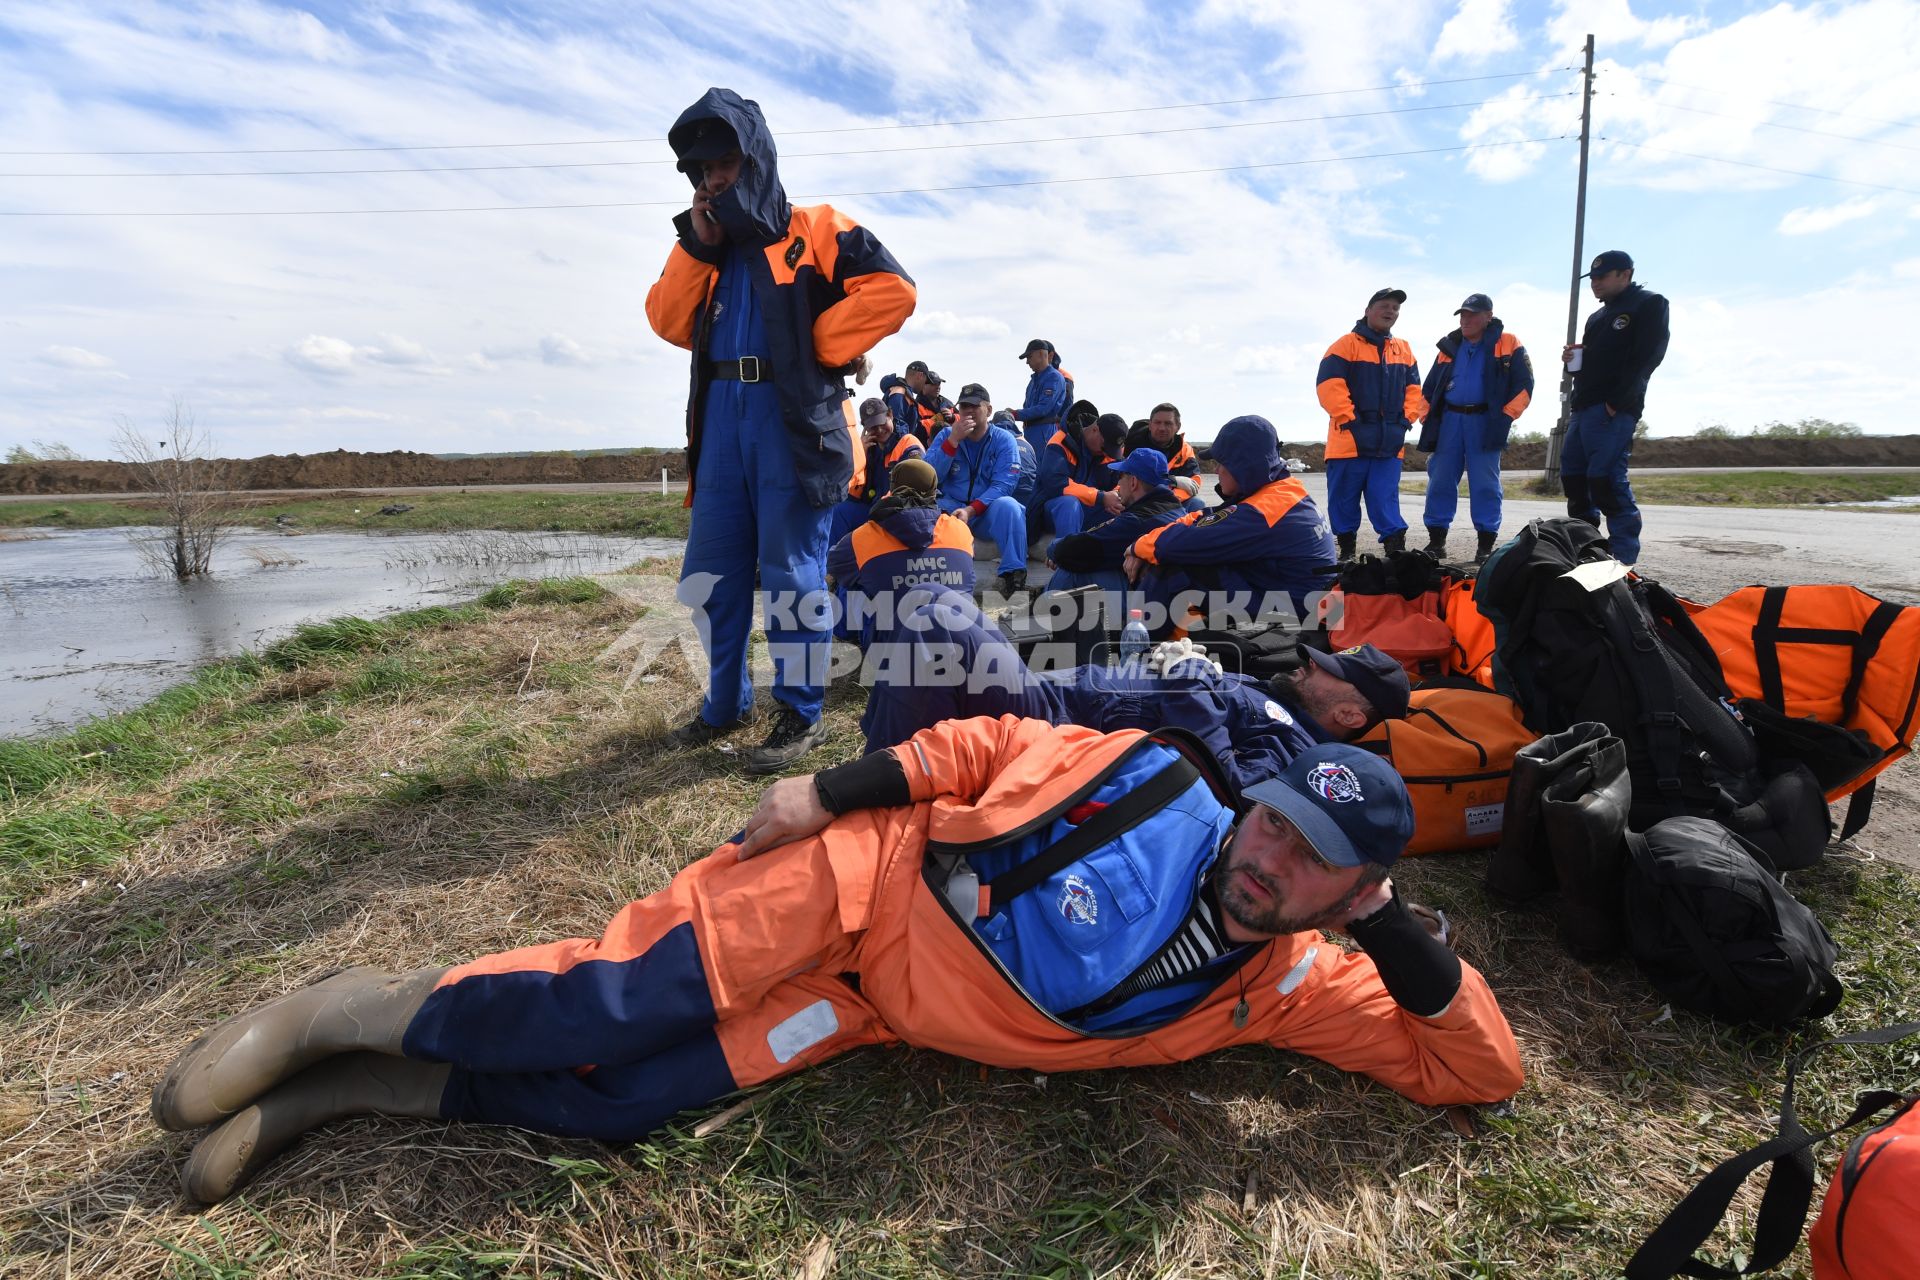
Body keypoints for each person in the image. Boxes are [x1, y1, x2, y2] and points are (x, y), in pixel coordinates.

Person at [150, 723, 1522, 1205]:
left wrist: (1397, 936)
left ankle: (339, 1097)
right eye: (1275, 819)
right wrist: (831, 787)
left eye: (1311, 858)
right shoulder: (1155, 780)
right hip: (851, 890)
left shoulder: (1291, 985)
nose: (1270, 857)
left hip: (858, 1011)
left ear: (1350, 887)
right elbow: (982, 747)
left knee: (621, 1097)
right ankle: (341, 1012)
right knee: (612, 1000)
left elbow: (1480, 1075)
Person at [644, 88, 916, 773]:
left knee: (794, 580)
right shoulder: (709, 253)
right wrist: (697, 246)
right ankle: (724, 706)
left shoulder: (815, 229)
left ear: (754, 158)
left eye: (724, 163)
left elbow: (893, 288)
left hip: (793, 428)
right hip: (721, 430)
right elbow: (667, 322)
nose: (712, 179)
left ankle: (799, 714)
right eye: (702, 170)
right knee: (708, 577)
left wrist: (822, 342)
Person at [856, 583, 1409, 793]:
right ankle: (891, 762)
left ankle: (879, 789)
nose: (1310, 667)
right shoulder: (1276, 698)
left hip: (1058, 727)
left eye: (1328, 673)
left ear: (1350, 716)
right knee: (934, 598)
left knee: (933, 628)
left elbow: (1228, 785)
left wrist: (1188, 678)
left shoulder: (1297, 751)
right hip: (1062, 689)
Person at [1123, 415, 1337, 630]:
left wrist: (1137, 547)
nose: (1216, 471)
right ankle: (1164, 635)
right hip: (1308, 602)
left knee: (1174, 565)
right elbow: (1205, 517)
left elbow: (1177, 545)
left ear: (1241, 466)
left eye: (1220, 464)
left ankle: (1141, 648)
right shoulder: (1283, 491)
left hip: (1303, 615)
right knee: (1185, 555)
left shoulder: (1263, 512)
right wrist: (1148, 542)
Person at [1562, 250, 1670, 565]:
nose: (1595, 283)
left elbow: (1648, 357)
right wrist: (1573, 363)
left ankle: (1623, 561)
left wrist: (1617, 403)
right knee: (1575, 479)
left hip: (1613, 410)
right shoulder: (1597, 317)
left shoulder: (1649, 304)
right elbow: (1587, 368)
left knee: (1606, 480)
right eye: (1592, 278)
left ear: (1625, 274)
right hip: (1582, 410)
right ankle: (1587, 552)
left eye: (1602, 276)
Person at [1417, 294, 1535, 564]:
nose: (1465, 320)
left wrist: (1505, 418)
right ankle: (1436, 543)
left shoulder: (1508, 343)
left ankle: (1485, 546)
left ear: (1488, 317)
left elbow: (1525, 385)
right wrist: (1425, 416)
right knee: (1440, 481)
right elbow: (1429, 386)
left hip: (1485, 422)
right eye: (1463, 315)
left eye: (1472, 314)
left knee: (1485, 485)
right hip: (1449, 422)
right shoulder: (1449, 347)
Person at [1316, 288, 1427, 560]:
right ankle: (1347, 551)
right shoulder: (1345, 345)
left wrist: (1404, 422)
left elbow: (1414, 390)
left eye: (1395, 308)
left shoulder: (1404, 349)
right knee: (1343, 499)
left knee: (1385, 498)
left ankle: (1395, 551)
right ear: (1368, 311)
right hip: (1348, 442)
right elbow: (1329, 387)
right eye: (1384, 306)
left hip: (1389, 442)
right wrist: (1351, 421)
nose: (1391, 311)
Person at [825, 459, 974, 647]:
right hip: (957, 640)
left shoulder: (865, 536)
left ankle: (844, 638)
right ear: (933, 490)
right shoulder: (960, 530)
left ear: (892, 489)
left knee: (850, 580)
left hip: (894, 648)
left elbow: (833, 565)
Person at [928, 383, 1030, 596]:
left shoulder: (1005, 440)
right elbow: (929, 477)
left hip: (984, 512)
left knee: (1010, 507)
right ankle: (930, 574)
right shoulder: (947, 434)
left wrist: (971, 510)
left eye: (975, 406)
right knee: (924, 510)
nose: (969, 411)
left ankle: (1014, 575)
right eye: (964, 406)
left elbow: (1005, 485)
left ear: (989, 410)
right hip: (951, 508)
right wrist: (953, 441)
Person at [1044, 447, 1184, 594]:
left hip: (1149, 601)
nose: (1118, 483)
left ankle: (1043, 607)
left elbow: (1078, 548)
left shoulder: (1137, 521)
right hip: (1171, 591)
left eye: (1121, 476)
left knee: (1071, 570)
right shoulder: (1177, 509)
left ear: (1133, 482)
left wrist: (1054, 548)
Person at [827, 396, 926, 548]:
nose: (880, 430)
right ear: (865, 428)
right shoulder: (869, 449)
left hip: (901, 512)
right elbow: (853, 495)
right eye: (873, 427)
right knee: (838, 510)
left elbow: (913, 492)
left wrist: (880, 510)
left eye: (882, 423)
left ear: (890, 415)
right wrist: (860, 456)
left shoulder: (908, 443)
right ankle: (828, 564)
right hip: (874, 510)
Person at [1037, 411, 1126, 541]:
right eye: (1105, 447)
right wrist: (1100, 497)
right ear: (1095, 430)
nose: (1107, 453)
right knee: (1069, 503)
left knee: (1125, 510)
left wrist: (1116, 496)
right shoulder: (1061, 441)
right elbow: (1055, 483)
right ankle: (1064, 553)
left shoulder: (1111, 451)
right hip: (1054, 510)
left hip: (1090, 510)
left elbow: (1123, 481)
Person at [1125, 402, 1206, 511]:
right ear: (1150, 425)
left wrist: (1167, 500)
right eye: (1157, 422)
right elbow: (1125, 480)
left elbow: (1193, 483)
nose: (1162, 428)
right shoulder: (1131, 444)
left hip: (1170, 500)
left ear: (1178, 426)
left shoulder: (1184, 449)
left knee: (1197, 503)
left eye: (1168, 423)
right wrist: (1171, 480)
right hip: (1135, 500)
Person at [1011, 338, 1072, 457]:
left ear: (1041, 354)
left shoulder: (1054, 377)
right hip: (1031, 432)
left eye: (1029, 357)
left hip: (1044, 432)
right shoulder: (1033, 382)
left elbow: (1044, 408)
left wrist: (1015, 414)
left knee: (1040, 470)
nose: (1027, 362)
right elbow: (1027, 406)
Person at [879, 373, 920, 440]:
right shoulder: (898, 393)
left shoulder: (894, 393)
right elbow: (897, 422)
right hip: (902, 441)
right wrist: (902, 441)